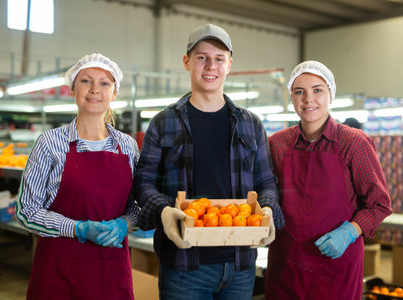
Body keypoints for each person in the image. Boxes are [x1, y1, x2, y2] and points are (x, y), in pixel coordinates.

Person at [134, 23, 284, 300]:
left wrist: (269, 209)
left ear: (229, 65)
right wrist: (164, 211)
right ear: (187, 62)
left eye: (219, 59)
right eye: (202, 57)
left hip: (240, 264)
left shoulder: (250, 124)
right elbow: (143, 182)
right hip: (184, 265)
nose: (210, 66)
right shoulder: (164, 122)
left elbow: (265, 181)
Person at [16, 53, 140, 300]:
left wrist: (124, 223)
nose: (95, 89)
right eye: (86, 81)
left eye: (104, 83)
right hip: (58, 274)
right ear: (72, 88)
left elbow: (138, 207)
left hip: (111, 271)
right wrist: (78, 229)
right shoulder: (49, 143)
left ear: (114, 93)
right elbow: (26, 211)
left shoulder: (127, 146)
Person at [265, 60, 392, 300]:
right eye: (299, 92)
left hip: (336, 267)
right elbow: (267, 193)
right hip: (286, 265)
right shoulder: (277, 143)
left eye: (317, 90)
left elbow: (379, 203)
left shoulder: (354, 143)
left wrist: (350, 232)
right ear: (291, 97)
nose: (308, 99)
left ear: (331, 95)